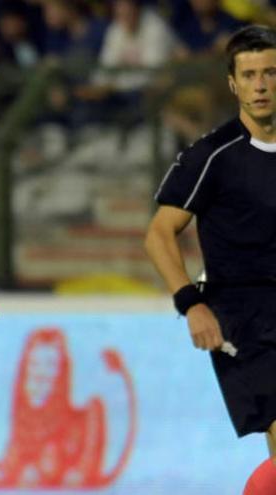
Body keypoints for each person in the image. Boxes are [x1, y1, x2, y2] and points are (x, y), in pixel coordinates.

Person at [145, 25, 276, 495]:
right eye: (250, 75)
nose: (261, 84)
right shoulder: (213, 155)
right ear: (232, 84)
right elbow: (160, 234)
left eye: (270, 73)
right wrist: (191, 304)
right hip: (244, 322)